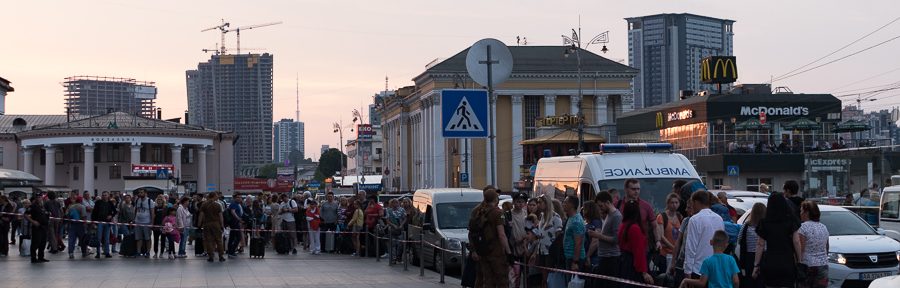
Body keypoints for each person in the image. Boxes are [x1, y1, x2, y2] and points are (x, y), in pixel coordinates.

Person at [753, 192, 802, 288]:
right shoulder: (791, 221)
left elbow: (760, 244)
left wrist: (756, 265)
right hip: (787, 261)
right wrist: (799, 260)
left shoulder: (764, 222)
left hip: (770, 262)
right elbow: (796, 241)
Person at [468, 186, 512, 288]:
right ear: (495, 198)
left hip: (483, 251)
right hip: (496, 252)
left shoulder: (478, 211)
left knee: (487, 280)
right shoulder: (498, 212)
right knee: (502, 280)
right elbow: (501, 234)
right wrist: (509, 252)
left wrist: (474, 249)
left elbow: (472, 231)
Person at [684, 190, 725, 280]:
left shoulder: (694, 219)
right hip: (715, 269)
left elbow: (691, 248)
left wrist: (687, 271)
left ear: (696, 202)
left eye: (692, 203)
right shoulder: (719, 219)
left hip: (698, 270)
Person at [618, 179, 660, 259]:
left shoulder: (646, 206)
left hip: (641, 247)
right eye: (633, 189)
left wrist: (657, 241)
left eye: (638, 189)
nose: (636, 191)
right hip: (622, 248)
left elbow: (654, 225)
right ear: (626, 189)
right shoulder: (618, 205)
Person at [589, 191, 621, 288]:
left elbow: (616, 240)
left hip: (610, 258)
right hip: (605, 256)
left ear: (607, 202)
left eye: (601, 206)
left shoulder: (616, 216)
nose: (600, 209)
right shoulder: (609, 215)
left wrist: (598, 235)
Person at [619, 200, 654, 284]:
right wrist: (643, 272)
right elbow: (639, 251)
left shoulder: (623, 226)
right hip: (632, 265)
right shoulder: (635, 228)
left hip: (623, 262)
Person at [798, 201, 829, 288]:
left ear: (807, 212)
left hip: (807, 265)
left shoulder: (802, 227)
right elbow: (826, 247)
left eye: (801, 211)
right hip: (823, 265)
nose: (800, 213)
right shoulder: (823, 227)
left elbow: (801, 249)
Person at [737, 203, 766, 288]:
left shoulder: (746, 225)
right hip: (763, 257)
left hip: (749, 257)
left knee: (749, 281)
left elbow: (739, 240)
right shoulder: (766, 227)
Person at [657, 193, 683, 274]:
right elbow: (661, 236)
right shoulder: (662, 216)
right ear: (668, 203)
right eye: (672, 202)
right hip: (665, 254)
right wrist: (673, 247)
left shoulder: (680, 216)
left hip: (676, 255)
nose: (674, 205)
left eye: (676, 202)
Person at [508, 193, 528, 287]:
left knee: (525, 273)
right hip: (513, 248)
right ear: (513, 202)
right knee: (515, 274)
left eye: (522, 202)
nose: (520, 204)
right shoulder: (509, 214)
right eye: (518, 202)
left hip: (524, 247)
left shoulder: (526, 214)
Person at [199, 192, 226, 262]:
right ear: (213, 196)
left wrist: (199, 224)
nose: (217, 197)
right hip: (216, 224)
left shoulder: (204, 204)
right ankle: (221, 256)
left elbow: (201, 215)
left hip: (207, 224)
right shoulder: (218, 205)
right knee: (219, 240)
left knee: (209, 240)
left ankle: (211, 256)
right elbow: (221, 216)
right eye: (216, 196)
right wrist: (222, 225)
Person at [562, 196, 586, 273]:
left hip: (574, 258)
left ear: (571, 205)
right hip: (568, 256)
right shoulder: (571, 218)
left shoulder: (576, 221)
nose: (563, 204)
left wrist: (575, 262)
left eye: (565, 202)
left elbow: (578, 243)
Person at [25, 196, 50, 263]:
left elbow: (46, 214)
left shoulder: (42, 206)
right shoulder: (32, 206)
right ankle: (33, 258)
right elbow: (26, 215)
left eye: (40, 197)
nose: (39, 198)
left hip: (44, 227)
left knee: (43, 242)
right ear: (35, 198)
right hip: (37, 227)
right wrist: (33, 221)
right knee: (36, 242)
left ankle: (41, 257)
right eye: (38, 197)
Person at [92, 191, 115, 259]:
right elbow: (94, 213)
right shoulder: (98, 203)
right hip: (99, 222)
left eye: (105, 195)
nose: (104, 196)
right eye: (103, 195)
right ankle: (98, 252)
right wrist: (94, 222)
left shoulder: (110, 203)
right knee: (98, 238)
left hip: (107, 223)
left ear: (108, 196)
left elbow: (115, 211)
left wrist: (111, 215)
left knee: (107, 238)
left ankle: (107, 252)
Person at [133, 189, 155, 258]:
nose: (140, 194)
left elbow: (152, 213)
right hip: (138, 222)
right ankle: (138, 252)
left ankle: (148, 252)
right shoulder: (137, 200)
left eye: (141, 192)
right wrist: (134, 219)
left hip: (146, 222)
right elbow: (136, 210)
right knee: (138, 238)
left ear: (145, 193)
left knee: (147, 238)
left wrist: (152, 223)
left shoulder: (149, 201)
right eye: (139, 192)